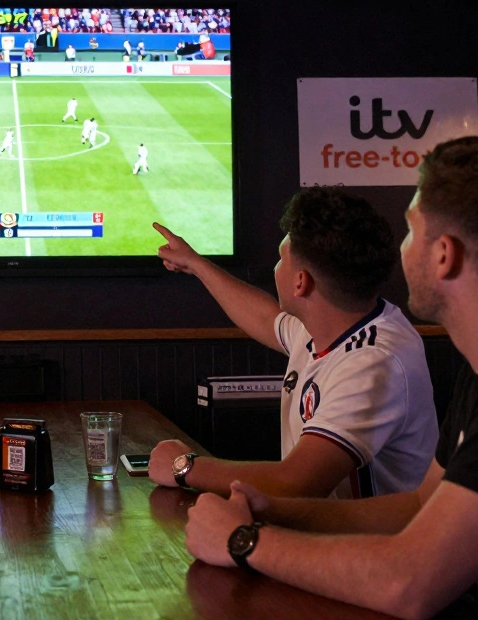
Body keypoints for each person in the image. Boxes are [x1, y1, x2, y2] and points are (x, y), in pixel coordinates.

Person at [183, 136, 478, 619]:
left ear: (444, 255)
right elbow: (417, 507)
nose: (400, 251)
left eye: (411, 231)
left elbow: (409, 582)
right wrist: (266, 509)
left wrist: (244, 541)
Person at [150, 187, 436, 502]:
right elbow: (265, 319)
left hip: (367, 548)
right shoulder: (328, 321)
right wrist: (196, 264)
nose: (275, 269)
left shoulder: (373, 360)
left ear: (301, 282)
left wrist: (185, 467)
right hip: (323, 539)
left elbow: (296, 483)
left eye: (280, 258)